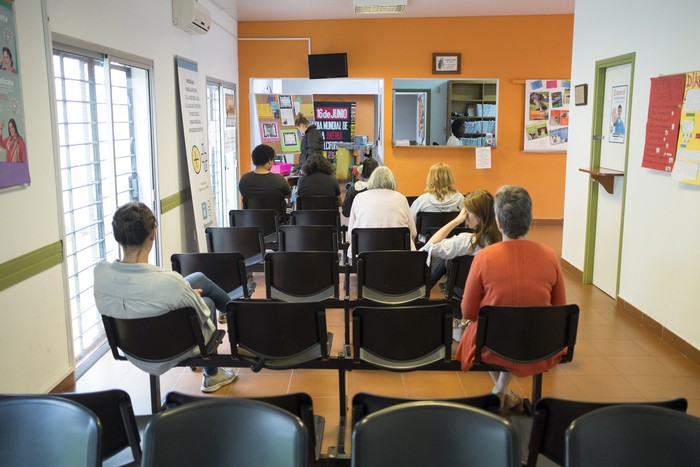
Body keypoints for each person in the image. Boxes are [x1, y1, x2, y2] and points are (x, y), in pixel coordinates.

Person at [93, 202, 237, 393]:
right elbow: (202, 313)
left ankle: (233, 311)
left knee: (198, 279)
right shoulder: (171, 282)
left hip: (132, 347)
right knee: (208, 302)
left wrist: (184, 295)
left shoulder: (100, 273)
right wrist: (188, 296)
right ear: (153, 234)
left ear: (117, 235)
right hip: (172, 347)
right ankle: (213, 373)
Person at [455, 185, 567, 413]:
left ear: (498, 222)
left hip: (494, 343)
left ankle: (501, 389)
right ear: (530, 219)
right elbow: (560, 309)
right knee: (513, 326)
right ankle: (502, 390)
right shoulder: (549, 256)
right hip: (539, 343)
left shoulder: (484, 258)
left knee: (483, 327)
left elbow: (468, 312)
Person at [420, 189, 501, 292]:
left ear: (479, 216)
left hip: (463, 294)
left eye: (468, 212)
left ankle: (422, 290)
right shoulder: (502, 240)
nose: (465, 216)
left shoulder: (466, 241)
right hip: (490, 294)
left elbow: (428, 247)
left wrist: (456, 221)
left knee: (448, 254)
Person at [347, 166, 417, 256]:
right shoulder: (401, 198)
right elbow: (413, 232)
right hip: (398, 256)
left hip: (364, 254)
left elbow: (351, 233)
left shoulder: (359, 198)